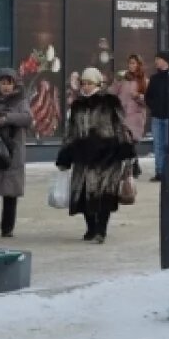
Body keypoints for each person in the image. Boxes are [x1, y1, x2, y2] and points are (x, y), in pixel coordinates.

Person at [56, 68, 138, 244]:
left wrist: (126, 151)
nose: (85, 86)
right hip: (83, 156)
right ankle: (91, 228)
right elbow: (71, 131)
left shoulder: (110, 102)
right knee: (84, 194)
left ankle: (101, 230)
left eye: (89, 83)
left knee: (104, 194)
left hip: (107, 155)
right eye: (83, 83)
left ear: (98, 83)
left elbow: (120, 126)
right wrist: (65, 155)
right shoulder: (77, 105)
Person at [0, 69, 31, 238]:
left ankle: (7, 229)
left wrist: (5, 118)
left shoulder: (21, 100)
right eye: (3, 83)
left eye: (9, 83)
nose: (6, 87)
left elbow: (26, 118)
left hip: (13, 152)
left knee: (10, 195)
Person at [144, 52, 169, 183]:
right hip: (157, 117)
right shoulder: (154, 78)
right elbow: (148, 96)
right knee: (158, 145)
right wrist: (153, 106)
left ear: (165, 61)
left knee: (167, 144)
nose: (156, 62)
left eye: (158, 59)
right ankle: (160, 172)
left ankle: (168, 171)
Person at [109, 54, 149, 143]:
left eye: (133, 63)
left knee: (130, 144)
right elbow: (111, 93)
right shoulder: (123, 79)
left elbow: (148, 100)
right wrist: (116, 81)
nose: (131, 66)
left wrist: (138, 96)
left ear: (139, 64)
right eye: (129, 63)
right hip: (121, 116)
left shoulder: (144, 81)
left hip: (136, 118)